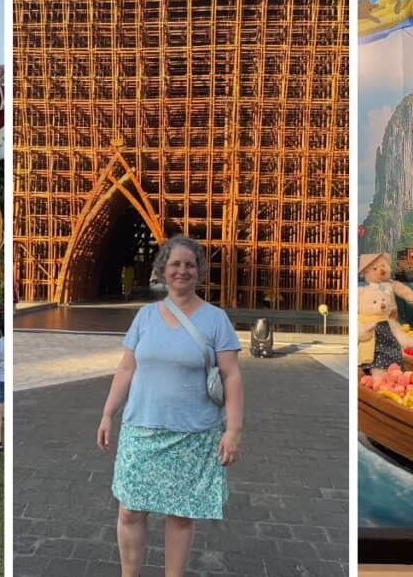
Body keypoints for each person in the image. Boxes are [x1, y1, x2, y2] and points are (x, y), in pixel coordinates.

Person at [97, 234, 244, 577]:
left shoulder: (215, 319)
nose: (182, 271)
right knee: (130, 510)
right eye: (175, 264)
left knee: (180, 515)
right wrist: (107, 413)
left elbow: (232, 377)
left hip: (193, 434)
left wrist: (233, 430)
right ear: (163, 270)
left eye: (190, 265)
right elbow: (126, 368)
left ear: (200, 271)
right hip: (142, 429)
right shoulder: (146, 317)